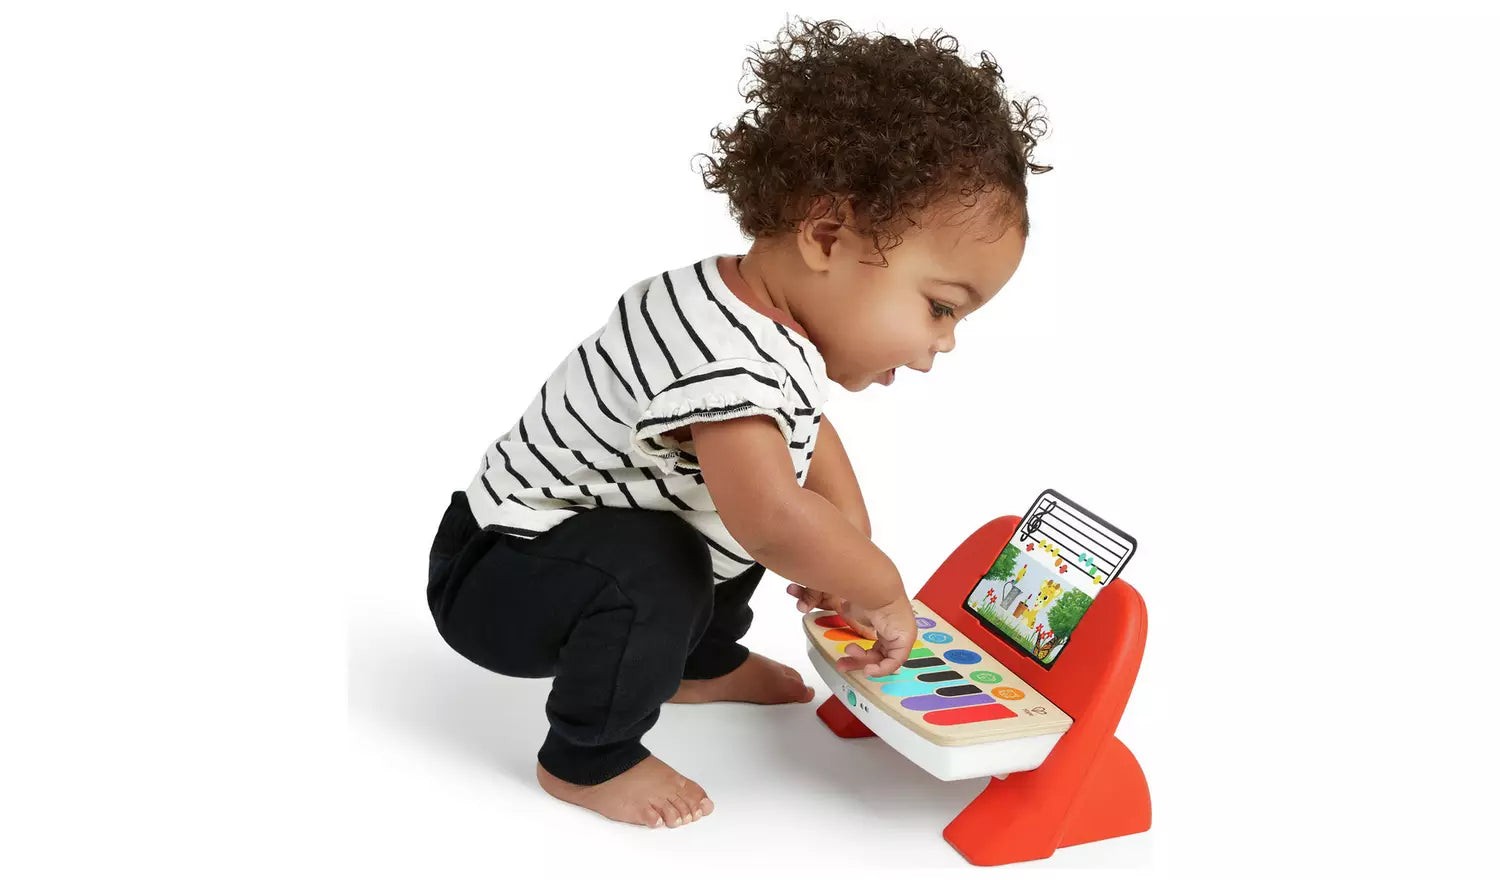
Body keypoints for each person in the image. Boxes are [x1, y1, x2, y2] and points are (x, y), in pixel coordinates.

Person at [426, 16, 1049, 830]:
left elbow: (808, 438)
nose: (943, 343)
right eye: (939, 307)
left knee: (749, 514)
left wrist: (847, 534)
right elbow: (771, 519)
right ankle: (587, 757)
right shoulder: (730, 360)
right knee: (699, 542)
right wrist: (876, 582)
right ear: (826, 236)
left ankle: (695, 664)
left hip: (542, 553)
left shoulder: (748, 313)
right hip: (500, 577)